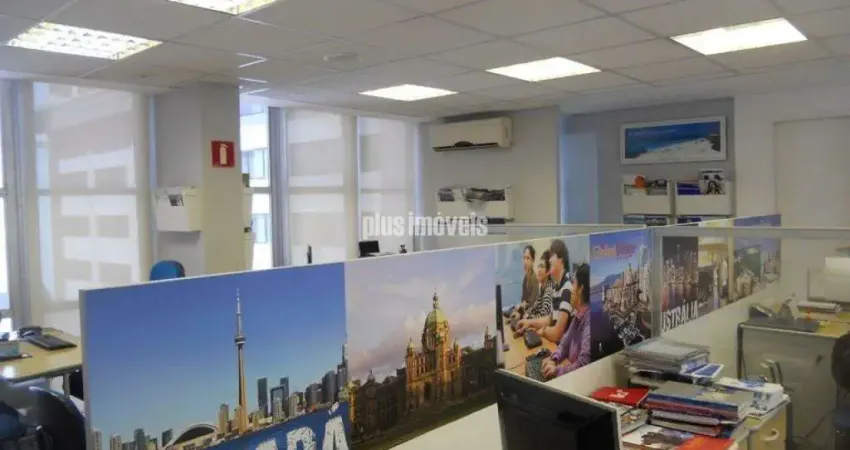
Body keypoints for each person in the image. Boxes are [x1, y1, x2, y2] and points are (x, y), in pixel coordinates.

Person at [542, 262, 591, 379]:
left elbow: (584, 364)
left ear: (580, 289)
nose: (571, 288)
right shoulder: (578, 317)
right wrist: (554, 360)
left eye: (574, 283)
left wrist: (557, 371)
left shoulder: (589, 320)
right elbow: (564, 343)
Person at [518, 239, 571, 343]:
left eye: (552, 255)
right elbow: (549, 319)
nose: (549, 260)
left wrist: (542, 331)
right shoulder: (557, 287)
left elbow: (557, 334)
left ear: (561, 260)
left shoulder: (567, 287)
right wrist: (529, 323)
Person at [524, 250, 554, 320]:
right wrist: (524, 313)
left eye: (542, 267)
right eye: (538, 266)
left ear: (548, 271)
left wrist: (528, 317)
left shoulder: (549, 290)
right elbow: (534, 308)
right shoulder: (543, 288)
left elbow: (543, 317)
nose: (539, 270)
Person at [512, 246, 538, 319]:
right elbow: (523, 300)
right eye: (524, 258)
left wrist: (521, 307)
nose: (525, 261)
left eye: (528, 258)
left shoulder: (534, 278)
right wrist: (518, 308)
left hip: (531, 316)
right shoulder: (525, 278)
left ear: (533, 260)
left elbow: (532, 304)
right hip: (524, 313)